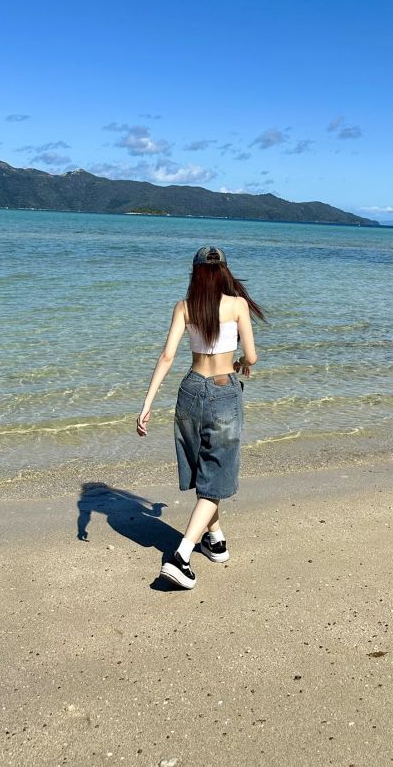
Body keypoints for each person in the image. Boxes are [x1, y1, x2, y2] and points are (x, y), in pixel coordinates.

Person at [136, 245, 265, 589]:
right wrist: (240, 365)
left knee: (206, 471)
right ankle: (181, 556)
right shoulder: (236, 305)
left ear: (195, 273)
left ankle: (217, 540)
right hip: (223, 391)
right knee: (216, 474)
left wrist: (147, 403)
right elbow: (251, 356)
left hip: (190, 391)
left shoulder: (184, 307)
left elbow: (166, 356)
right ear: (224, 271)